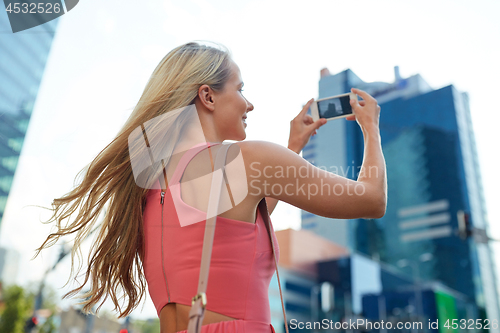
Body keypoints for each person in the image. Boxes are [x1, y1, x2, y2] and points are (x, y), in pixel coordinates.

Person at [35, 41, 386, 333]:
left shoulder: (149, 186)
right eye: (241, 89)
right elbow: (371, 200)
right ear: (208, 96)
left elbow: (231, 236)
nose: (250, 104)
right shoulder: (250, 159)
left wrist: (292, 149)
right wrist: (370, 128)